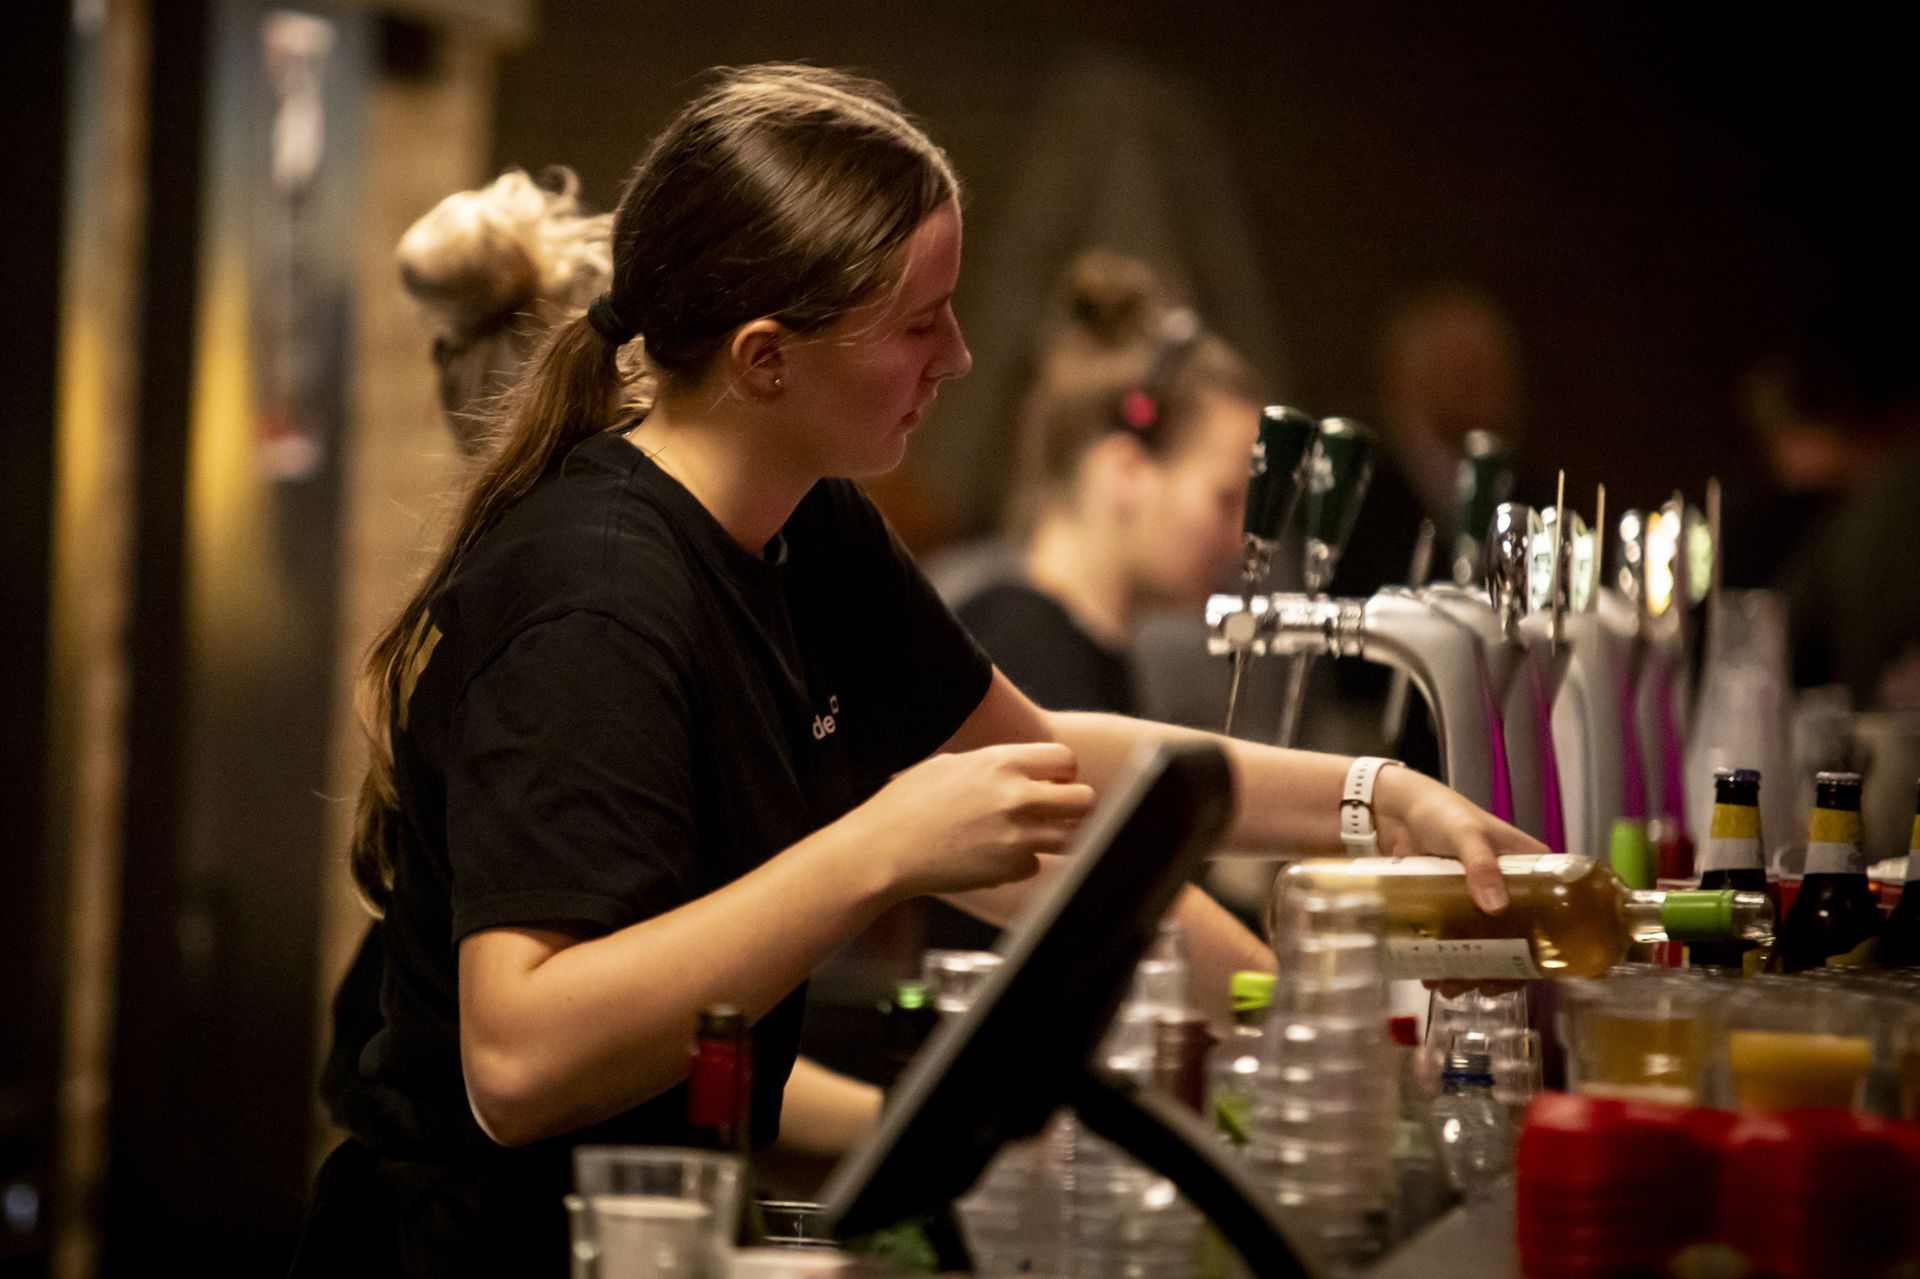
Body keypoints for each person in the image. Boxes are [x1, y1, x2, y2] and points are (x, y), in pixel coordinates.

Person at [295, 64, 1535, 1277]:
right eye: (916, 321)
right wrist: (878, 847)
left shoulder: (808, 528)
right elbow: (518, 1061)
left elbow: (1040, 769)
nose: (958, 359)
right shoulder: (597, 597)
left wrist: (1375, 797)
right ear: (766, 357)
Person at [955, 250, 1264, 717]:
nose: (1243, 538)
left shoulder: (1088, 653)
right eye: (1227, 498)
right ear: (1127, 471)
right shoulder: (1016, 645)